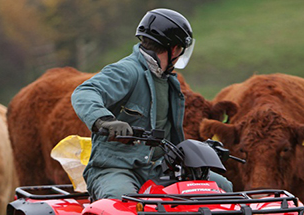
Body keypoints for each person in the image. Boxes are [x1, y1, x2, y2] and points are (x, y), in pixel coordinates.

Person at [72, 8, 232, 200]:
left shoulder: (168, 81)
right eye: (181, 49)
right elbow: (84, 92)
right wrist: (104, 121)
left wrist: (202, 149)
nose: (180, 55)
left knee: (221, 187)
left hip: (160, 168)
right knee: (122, 201)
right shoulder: (126, 71)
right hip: (115, 168)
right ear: (173, 48)